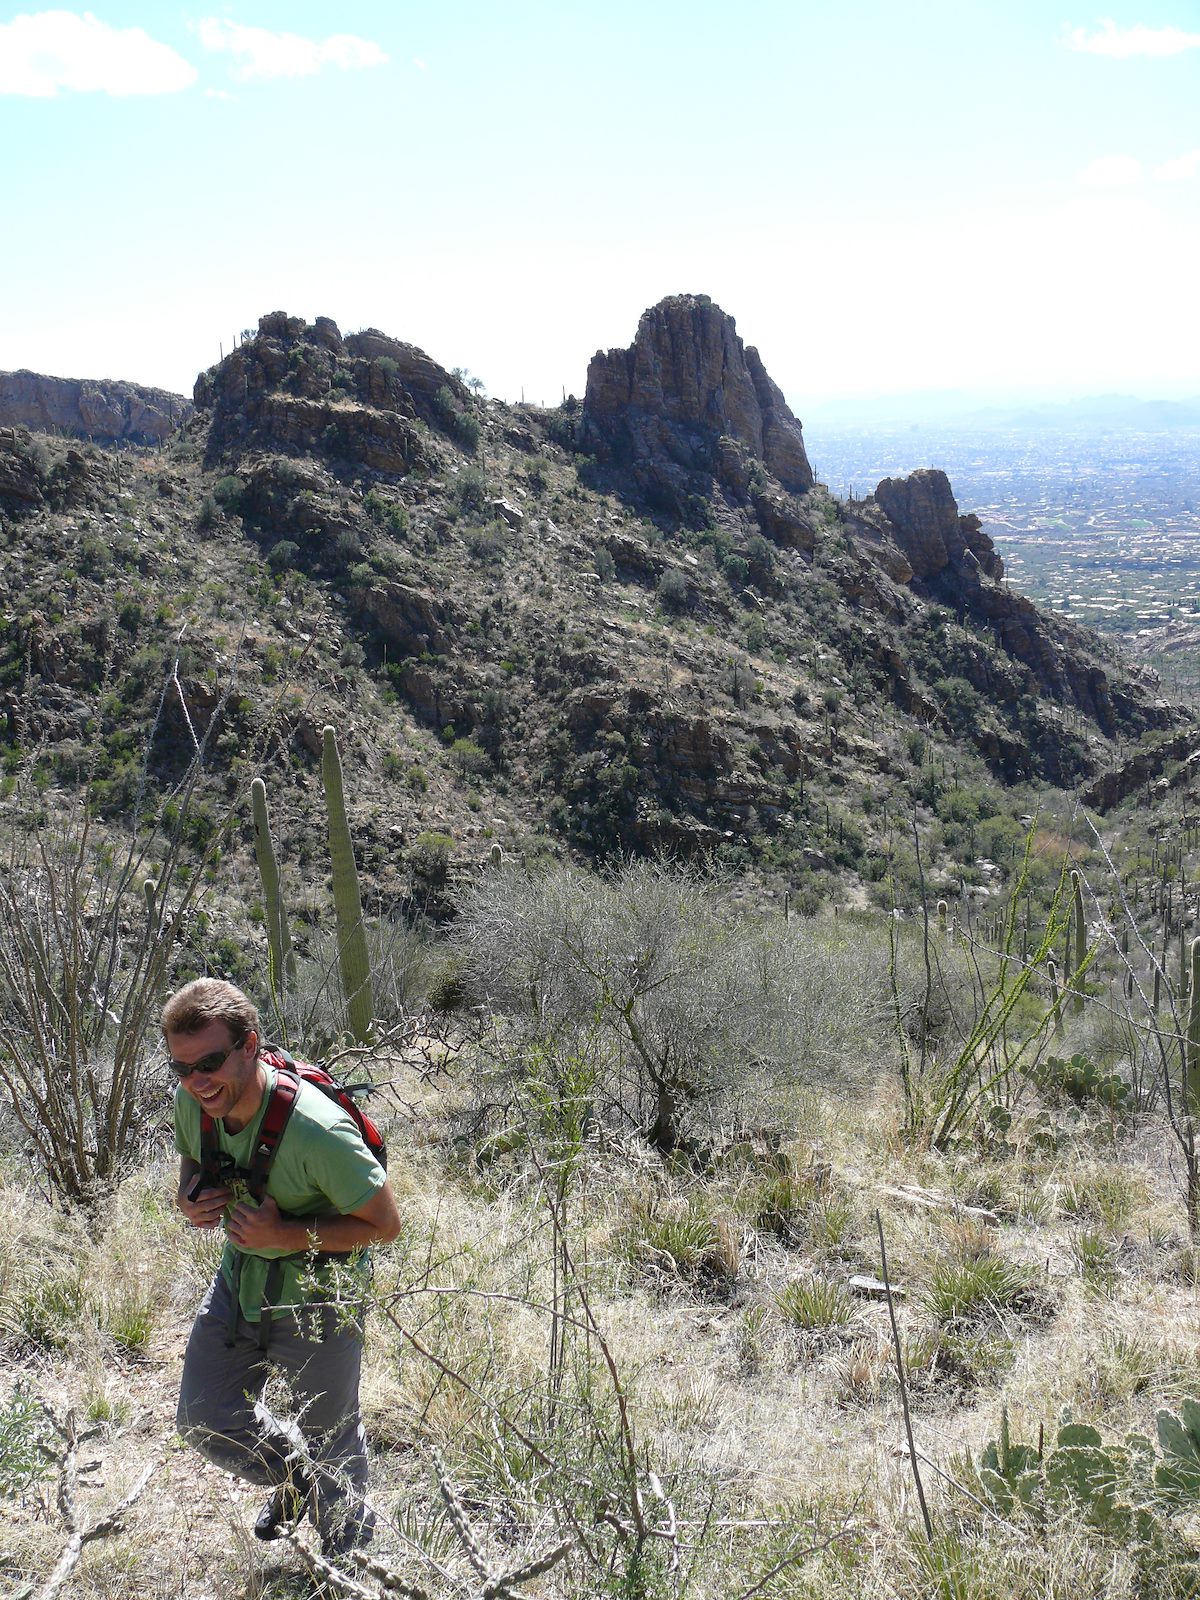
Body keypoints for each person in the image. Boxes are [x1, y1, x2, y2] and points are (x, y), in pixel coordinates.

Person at [167, 977, 401, 1557]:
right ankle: (299, 1480)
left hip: (321, 1298)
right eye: (182, 1068)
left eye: (210, 1063)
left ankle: (346, 1565)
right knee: (203, 1416)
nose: (197, 1082)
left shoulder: (318, 1132)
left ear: (249, 1045)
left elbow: (385, 1224)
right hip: (240, 1281)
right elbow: (192, 1162)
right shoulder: (195, 1102)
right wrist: (190, 1197)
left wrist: (286, 1235)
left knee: (330, 1436)